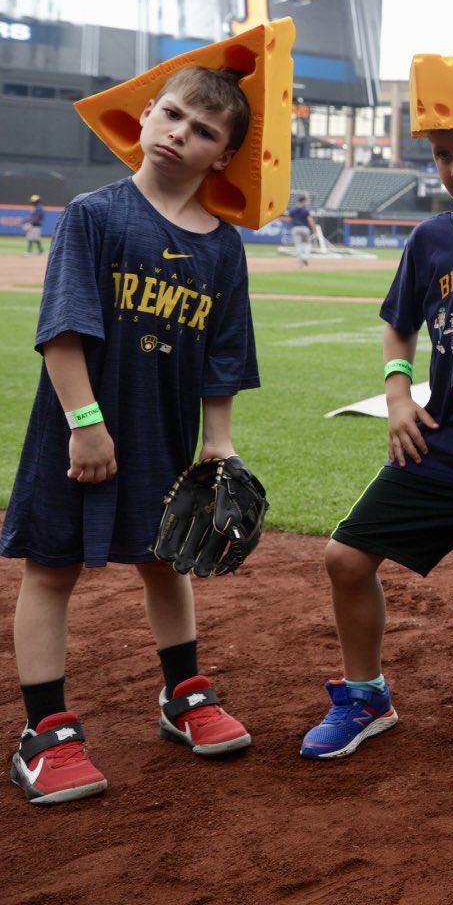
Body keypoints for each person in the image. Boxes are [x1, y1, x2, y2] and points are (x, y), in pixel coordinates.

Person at [5, 67, 260, 805]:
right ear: (144, 116)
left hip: (165, 431)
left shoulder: (222, 248)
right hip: (79, 425)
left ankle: (185, 695)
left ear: (221, 155)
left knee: (167, 555)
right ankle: (44, 733)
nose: (182, 133)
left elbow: (224, 357)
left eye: (205, 130)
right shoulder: (96, 213)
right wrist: (85, 425)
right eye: (173, 115)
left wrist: (219, 442)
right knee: (51, 568)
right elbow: (62, 332)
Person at [300, 122, 453, 760]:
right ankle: (365, 695)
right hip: (448, 440)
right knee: (346, 557)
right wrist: (399, 396)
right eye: (443, 155)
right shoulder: (431, 238)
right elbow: (399, 327)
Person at [288, 194, 314, 266]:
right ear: (303, 201)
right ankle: (305, 256)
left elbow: (290, 219)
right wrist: (314, 229)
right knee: (308, 244)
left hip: (295, 228)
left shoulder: (293, 209)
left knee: (297, 245)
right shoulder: (306, 210)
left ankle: (301, 261)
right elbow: (310, 220)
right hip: (304, 228)